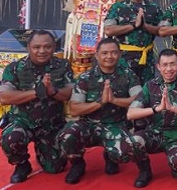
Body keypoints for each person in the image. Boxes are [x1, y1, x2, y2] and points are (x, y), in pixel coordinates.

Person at [58, 38, 145, 185]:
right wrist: (100, 102)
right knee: (67, 135)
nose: (109, 56)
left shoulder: (128, 75)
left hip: (116, 125)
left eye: (113, 53)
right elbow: (74, 109)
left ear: (120, 54)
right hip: (89, 125)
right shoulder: (86, 78)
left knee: (125, 153)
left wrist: (114, 100)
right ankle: (78, 164)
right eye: (104, 53)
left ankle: (110, 156)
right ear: (97, 55)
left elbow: (139, 101)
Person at [0, 30, 73, 184]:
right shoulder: (15, 68)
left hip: (52, 125)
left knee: (55, 168)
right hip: (23, 122)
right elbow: (5, 97)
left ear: (54, 47)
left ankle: (45, 153)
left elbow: (71, 93)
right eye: (36, 47)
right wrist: (37, 92)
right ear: (28, 47)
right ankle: (21, 164)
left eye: (47, 47)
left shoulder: (63, 66)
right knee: (11, 138)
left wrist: (53, 91)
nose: (42, 51)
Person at [127, 49, 177, 182]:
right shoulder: (150, 85)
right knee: (133, 142)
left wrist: (173, 108)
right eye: (165, 65)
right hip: (154, 133)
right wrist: (156, 109)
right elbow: (131, 113)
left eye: (172, 64)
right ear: (158, 67)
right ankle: (145, 171)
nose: (169, 69)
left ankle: (176, 166)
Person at [104, 0, 163, 81]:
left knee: (145, 91)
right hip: (123, 59)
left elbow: (161, 31)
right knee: (123, 88)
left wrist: (145, 26)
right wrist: (133, 26)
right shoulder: (117, 7)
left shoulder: (154, 8)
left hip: (146, 59)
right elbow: (108, 30)